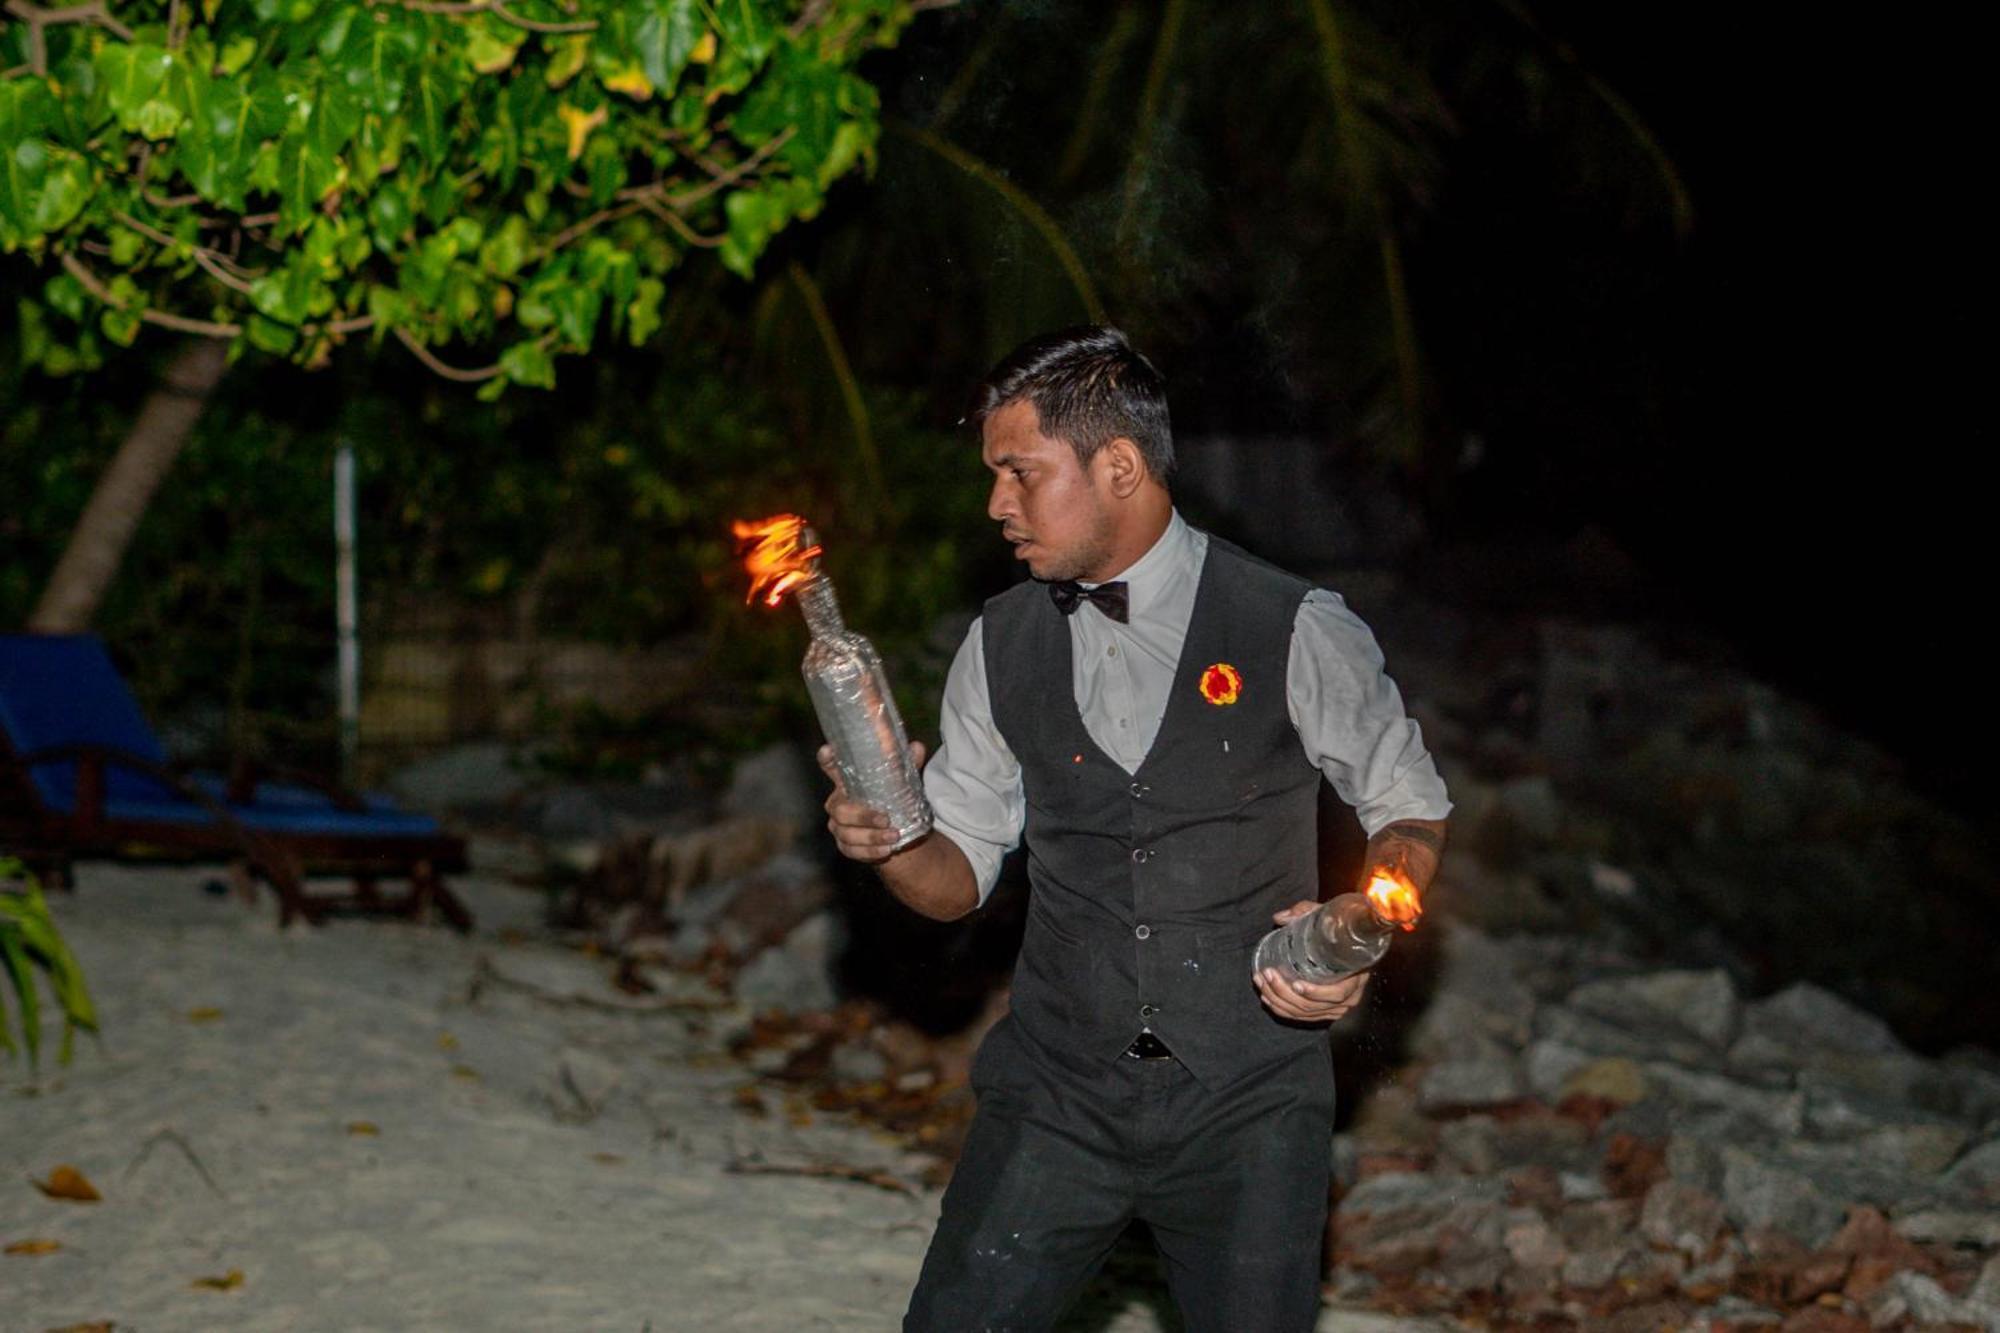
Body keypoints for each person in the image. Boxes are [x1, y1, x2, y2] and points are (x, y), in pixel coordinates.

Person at [820, 326, 1451, 1332]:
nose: (995, 505)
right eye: (992, 477)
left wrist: (1368, 920)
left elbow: (1406, 806)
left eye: (1018, 473)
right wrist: (892, 838)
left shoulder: (1293, 624)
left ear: (1116, 466)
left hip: (1248, 1101)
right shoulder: (999, 642)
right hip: (1058, 1093)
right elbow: (958, 880)